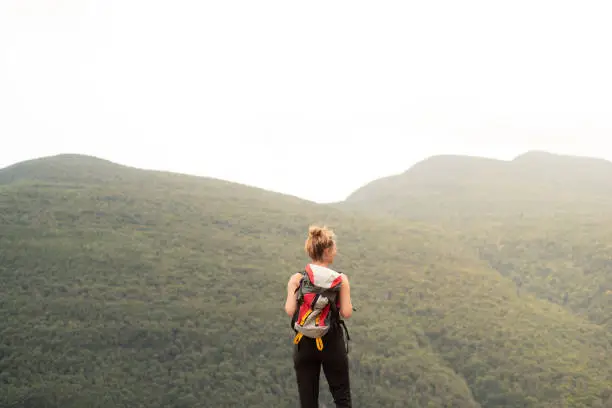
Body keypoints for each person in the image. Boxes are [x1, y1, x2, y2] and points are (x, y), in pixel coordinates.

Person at [284, 225, 353, 408]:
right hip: (331, 342)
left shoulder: (297, 278)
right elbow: (346, 313)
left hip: (304, 343)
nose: (336, 252)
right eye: (334, 249)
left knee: (308, 402)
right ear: (328, 250)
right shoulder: (340, 279)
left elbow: (290, 310)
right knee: (342, 398)